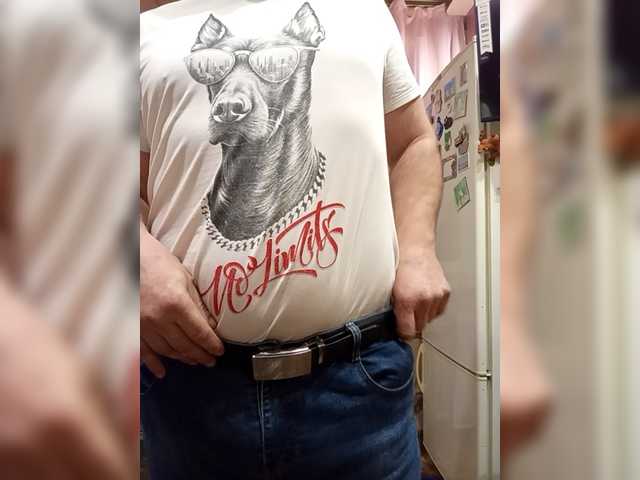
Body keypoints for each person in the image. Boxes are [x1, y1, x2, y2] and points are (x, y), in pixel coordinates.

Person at [140, 1, 450, 478]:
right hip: (191, 391)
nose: (231, 96)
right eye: (213, 69)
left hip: (357, 385)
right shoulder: (143, 32)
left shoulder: (363, 11)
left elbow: (412, 143)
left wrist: (418, 252)